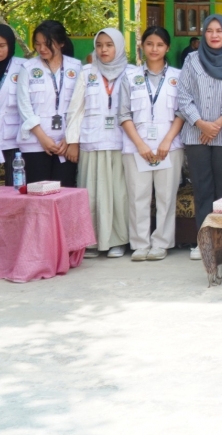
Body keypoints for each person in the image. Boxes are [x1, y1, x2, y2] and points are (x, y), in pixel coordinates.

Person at [177, 14, 222, 261]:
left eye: (220, 30)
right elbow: (183, 96)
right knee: (203, 189)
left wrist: (217, 123)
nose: (215, 35)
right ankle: (205, 241)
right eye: (210, 30)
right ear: (203, 33)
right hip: (196, 134)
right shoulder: (192, 60)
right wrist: (201, 123)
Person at [118, 26, 186, 262]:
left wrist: (167, 140)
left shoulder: (179, 76)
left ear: (167, 48)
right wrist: (140, 144)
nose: (154, 49)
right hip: (136, 146)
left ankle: (162, 243)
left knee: (167, 195)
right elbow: (123, 115)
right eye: (149, 44)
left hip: (170, 146)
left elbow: (182, 112)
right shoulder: (130, 77)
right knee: (138, 195)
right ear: (142, 46)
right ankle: (140, 243)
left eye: (159, 44)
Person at [65, 28, 133, 258]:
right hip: (91, 143)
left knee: (118, 195)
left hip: (121, 143)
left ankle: (118, 240)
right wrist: (72, 141)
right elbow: (75, 110)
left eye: (109, 45)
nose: (104, 50)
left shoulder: (132, 73)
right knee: (91, 194)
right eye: (100, 45)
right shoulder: (87, 73)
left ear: (120, 47)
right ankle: (91, 241)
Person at [17, 20, 81, 187]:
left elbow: (81, 106)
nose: (42, 49)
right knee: (37, 196)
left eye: (47, 44)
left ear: (61, 43)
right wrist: (43, 138)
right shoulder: (28, 68)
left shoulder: (77, 67)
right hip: (35, 143)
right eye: (37, 44)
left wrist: (69, 139)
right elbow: (24, 106)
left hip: (65, 145)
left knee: (64, 193)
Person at [0, 24, 27, 172]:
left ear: (10, 44)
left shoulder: (23, 66)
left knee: (15, 184)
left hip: (13, 138)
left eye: (2, 45)